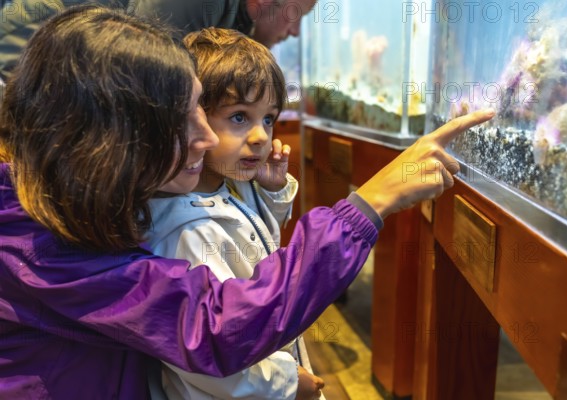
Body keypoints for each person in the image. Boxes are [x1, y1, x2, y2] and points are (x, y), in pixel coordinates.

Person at [0, 5, 494, 398]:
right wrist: (368, 204)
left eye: (199, 110)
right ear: (109, 136)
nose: (203, 138)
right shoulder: (44, 242)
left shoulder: (74, 200)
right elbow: (211, 329)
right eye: (178, 119)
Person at [146, 27, 322, 399]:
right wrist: (288, 384)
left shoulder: (228, 183)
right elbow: (215, 359)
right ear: (193, 118)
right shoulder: (187, 233)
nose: (261, 136)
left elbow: (257, 239)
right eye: (240, 117)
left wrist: (272, 192)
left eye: (268, 118)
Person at [0, 0, 316, 80]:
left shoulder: (232, 18)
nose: (295, 32)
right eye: (296, 13)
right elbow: (146, 73)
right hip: (33, 50)